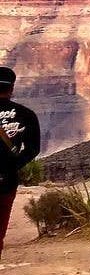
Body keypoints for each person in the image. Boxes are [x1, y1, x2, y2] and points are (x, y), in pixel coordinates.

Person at [0, 66, 43, 260]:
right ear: (12, 88)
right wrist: (13, 166)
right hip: (6, 181)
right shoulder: (26, 115)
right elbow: (33, 149)